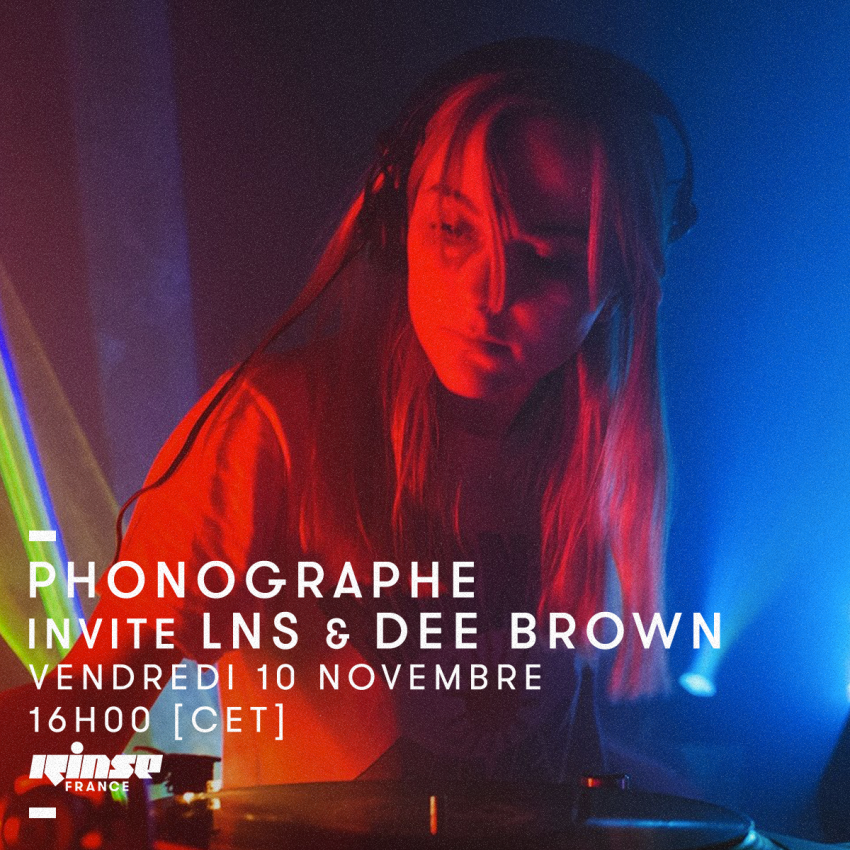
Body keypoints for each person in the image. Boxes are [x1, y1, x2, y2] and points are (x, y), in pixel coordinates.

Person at [0, 37, 695, 793]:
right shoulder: (274, 429)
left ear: (624, 280)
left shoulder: (591, 453)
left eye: (550, 259)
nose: (488, 295)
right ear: (395, 220)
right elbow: (83, 709)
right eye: (455, 228)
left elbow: (545, 745)